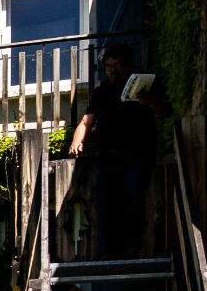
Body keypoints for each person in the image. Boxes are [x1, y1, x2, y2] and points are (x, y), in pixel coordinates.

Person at [68, 44, 170, 260]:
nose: (112, 70)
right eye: (108, 66)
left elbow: (165, 111)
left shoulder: (146, 84)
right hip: (109, 156)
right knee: (105, 201)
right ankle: (108, 252)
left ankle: (132, 247)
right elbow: (86, 121)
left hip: (139, 152)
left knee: (133, 195)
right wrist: (77, 140)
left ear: (128, 64)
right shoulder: (102, 92)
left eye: (117, 65)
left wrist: (149, 101)